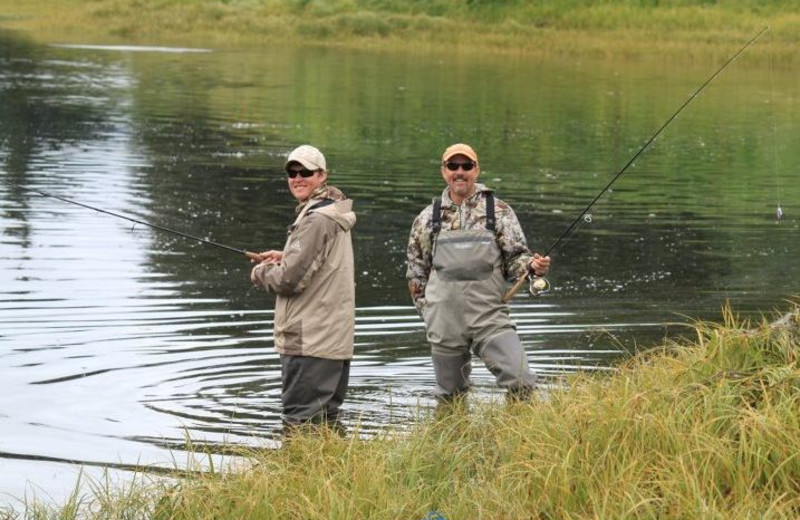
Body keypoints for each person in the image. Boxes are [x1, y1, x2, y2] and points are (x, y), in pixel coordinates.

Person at [406, 143, 550, 403]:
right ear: (443, 171)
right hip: (444, 321)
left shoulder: (499, 212)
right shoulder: (427, 218)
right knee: (449, 399)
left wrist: (531, 267)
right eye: (453, 166)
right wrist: (428, 313)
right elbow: (416, 273)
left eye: (466, 166)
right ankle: (451, 442)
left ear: (477, 169)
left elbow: (517, 259)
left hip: (489, 317)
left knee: (521, 382)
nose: (459, 172)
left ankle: (519, 440)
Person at [250, 144, 356, 433]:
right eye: (292, 172)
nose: (297, 178)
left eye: (305, 172)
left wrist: (260, 272)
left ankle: (296, 475)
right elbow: (317, 263)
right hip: (331, 339)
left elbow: (289, 280)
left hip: (308, 341)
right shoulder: (331, 213)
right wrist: (286, 256)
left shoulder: (317, 219)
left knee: (299, 423)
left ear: (322, 175)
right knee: (326, 422)